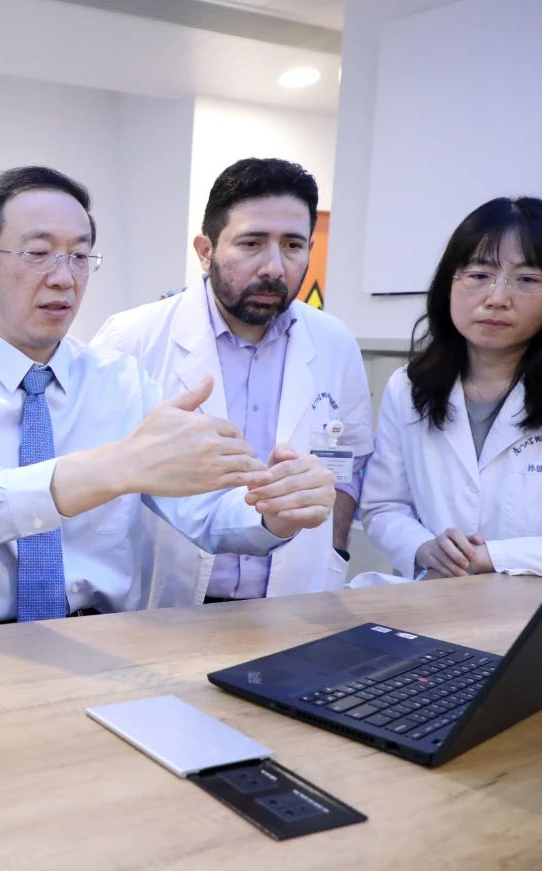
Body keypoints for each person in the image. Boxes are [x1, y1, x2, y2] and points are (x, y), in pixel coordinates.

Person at [0, 166, 336, 630]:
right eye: (39, 253)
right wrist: (118, 466)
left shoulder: (122, 381)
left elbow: (204, 515)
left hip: (100, 637)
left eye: (79, 256)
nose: (64, 277)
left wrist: (276, 511)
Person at [92, 158, 372, 606]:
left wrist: (335, 548)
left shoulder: (334, 342)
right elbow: (98, 476)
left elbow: (349, 462)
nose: (274, 267)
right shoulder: (132, 338)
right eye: (252, 243)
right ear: (205, 251)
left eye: (293, 245)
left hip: (296, 597)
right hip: (164, 598)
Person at [361, 197, 542, 580]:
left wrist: (493, 556)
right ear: (449, 283)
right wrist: (424, 547)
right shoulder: (409, 386)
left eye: (527, 280)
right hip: (439, 599)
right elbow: (384, 506)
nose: (497, 298)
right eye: (479, 275)